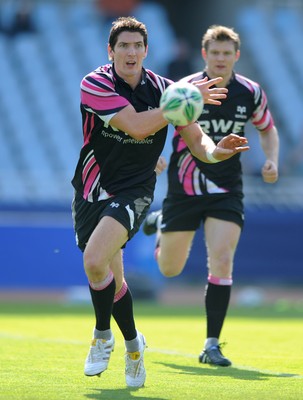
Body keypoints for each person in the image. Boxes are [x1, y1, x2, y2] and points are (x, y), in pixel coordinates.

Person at [71, 17, 249, 387]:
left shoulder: (166, 90)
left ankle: (102, 336)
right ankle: (134, 348)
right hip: (90, 189)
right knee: (104, 274)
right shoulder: (95, 83)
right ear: (111, 51)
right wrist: (183, 101)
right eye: (123, 46)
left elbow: (199, 144)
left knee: (94, 260)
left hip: (134, 190)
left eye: (137, 46)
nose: (131, 52)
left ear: (146, 51)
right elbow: (136, 126)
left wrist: (219, 152)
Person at [143, 25, 279, 367]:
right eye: (214, 53)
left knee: (221, 258)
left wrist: (272, 159)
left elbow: (267, 129)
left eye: (226, 53)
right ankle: (161, 224)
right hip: (184, 189)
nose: (220, 58)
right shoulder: (184, 90)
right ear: (204, 55)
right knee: (170, 269)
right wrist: (151, 158)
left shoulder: (250, 92)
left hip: (227, 190)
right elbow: (158, 123)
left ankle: (212, 343)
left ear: (237, 55)